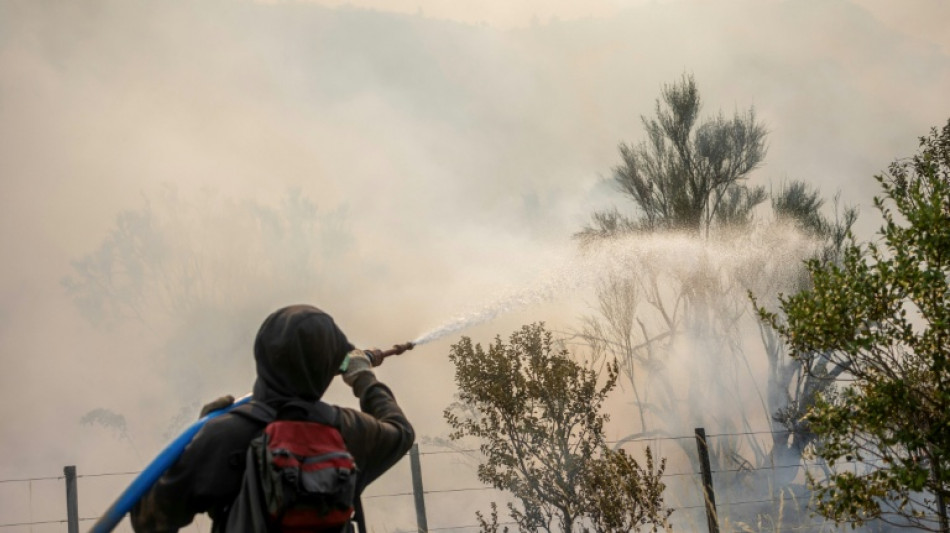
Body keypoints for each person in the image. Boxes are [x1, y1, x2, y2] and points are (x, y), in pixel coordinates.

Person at [131, 304, 415, 532]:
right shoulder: (350, 432)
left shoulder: (225, 435)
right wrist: (364, 378)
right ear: (327, 367)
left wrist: (198, 437)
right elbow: (401, 432)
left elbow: (150, 521)